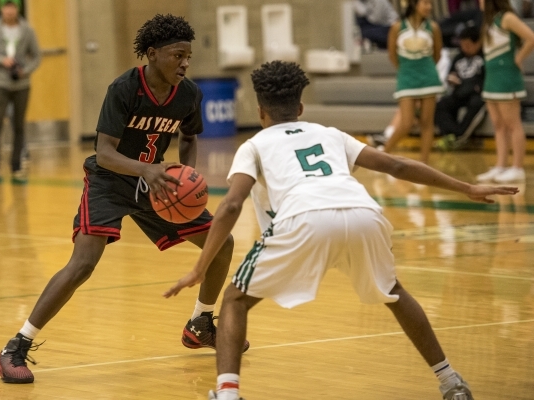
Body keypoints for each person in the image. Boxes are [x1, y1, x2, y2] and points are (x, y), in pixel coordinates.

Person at [165, 61, 519, 400]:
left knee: (234, 300)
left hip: (302, 219)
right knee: (393, 291)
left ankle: (227, 394)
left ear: (260, 112)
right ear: (301, 107)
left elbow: (230, 205)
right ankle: (450, 381)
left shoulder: (254, 145)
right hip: (363, 213)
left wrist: (200, 267)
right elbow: (396, 164)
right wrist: (466, 188)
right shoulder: (328, 133)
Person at [0, 14, 248, 385]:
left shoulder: (189, 93)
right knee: (82, 264)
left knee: (220, 243)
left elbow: (189, 137)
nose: (185, 63)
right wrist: (146, 170)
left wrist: (185, 176)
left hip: (157, 184)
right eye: (178, 55)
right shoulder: (125, 88)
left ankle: (201, 322)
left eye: (188, 56)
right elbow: (105, 152)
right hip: (109, 181)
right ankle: (14, 347)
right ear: (153, 54)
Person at [0, 0, 40, 184]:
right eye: (6, 6)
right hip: (0, 83)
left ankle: (16, 167)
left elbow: (36, 56)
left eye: (13, 6)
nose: (9, 10)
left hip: (21, 85)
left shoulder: (27, 29)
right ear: (1, 9)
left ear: (18, 9)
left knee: (19, 125)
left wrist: (26, 70)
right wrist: (1, 61)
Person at [476, 0, 534, 183]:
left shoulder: (507, 18)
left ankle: (517, 167)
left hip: (507, 77)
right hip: (491, 78)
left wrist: (519, 58)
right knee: (498, 124)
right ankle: (500, 165)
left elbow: (531, 37)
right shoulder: (489, 20)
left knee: (512, 123)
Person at [383, 0, 445, 164]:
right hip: (406, 78)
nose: (429, 7)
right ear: (414, 4)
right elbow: (392, 55)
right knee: (406, 123)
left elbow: (437, 55)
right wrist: (406, 70)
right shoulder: (397, 27)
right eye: (425, 3)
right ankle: (383, 154)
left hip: (429, 79)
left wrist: (425, 69)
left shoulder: (434, 28)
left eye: (431, 3)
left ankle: (424, 163)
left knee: (427, 123)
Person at [434, 25, 486, 150]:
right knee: (441, 105)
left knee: (477, 103)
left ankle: (460, 135)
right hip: (459, 92)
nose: (464, 48)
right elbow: (451, 75)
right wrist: (452, 80)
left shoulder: (485, 57)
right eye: (462, 45)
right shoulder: (459, 57)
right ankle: (454, 134)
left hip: (476, 95)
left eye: (467, 45)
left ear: (478, 43)